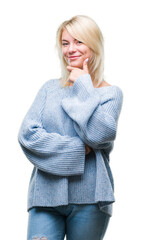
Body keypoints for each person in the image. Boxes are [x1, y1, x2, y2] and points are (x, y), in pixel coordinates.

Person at [18, 15, 123, 240]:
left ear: (93, 45)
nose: (70, 49)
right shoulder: (49, 89)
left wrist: (84, 86)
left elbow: (100, 135)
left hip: (90, 198)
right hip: (45, 195)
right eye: (65, 43)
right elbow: (28, 136)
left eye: (78, 42)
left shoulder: (111, 94)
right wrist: (77, 150)